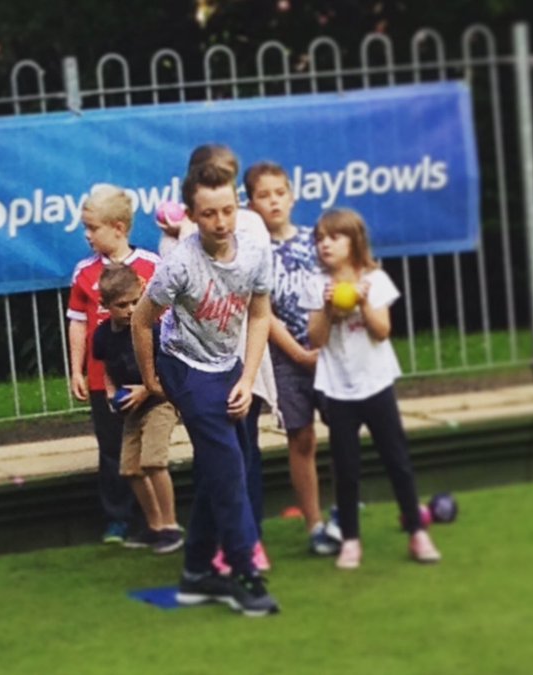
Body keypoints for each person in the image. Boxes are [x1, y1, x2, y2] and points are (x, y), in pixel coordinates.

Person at [133, 159, 279, 617]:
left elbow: (258, 315)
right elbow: (140, 320)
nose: (220, 222)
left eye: (227, 211)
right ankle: (244, 573)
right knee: (231, 471)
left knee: (228, 464)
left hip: (228, 365)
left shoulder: (256, 252)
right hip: (185, 368)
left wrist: (248, 376)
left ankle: (197, 571)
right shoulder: (178, 265)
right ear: (192, 217)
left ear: (237, 206)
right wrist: (151, 377)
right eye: (209, 214)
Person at [303, 208, 442, 570]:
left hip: (376, 382)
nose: (325, 245)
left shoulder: (375, 279)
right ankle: (350, 539)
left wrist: (362, 302)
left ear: (354, 242)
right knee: (345, 467)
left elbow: (382, 331)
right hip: (338, 388)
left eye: (334, 237)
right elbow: (315, 339)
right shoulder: (316, 283)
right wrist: (329, 309)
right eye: (320, 239)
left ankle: (417, 530)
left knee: (397, 459)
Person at [244, 160, 340, 556]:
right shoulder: (253, 251)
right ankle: (314, 523)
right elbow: (264, 314)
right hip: (287, 360)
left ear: (292, 195)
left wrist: (326, 344)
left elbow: (339, 287)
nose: (273, 202)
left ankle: (344, 512)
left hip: (332, 354)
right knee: (300, 437)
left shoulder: (316, 241)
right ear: (251, 203)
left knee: (346, 431)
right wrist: (299, 354)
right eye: (263, 196)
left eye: (279, 193)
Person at [67, 184, 160, 544]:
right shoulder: (83, 273)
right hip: (101, 379)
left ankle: (156, 517)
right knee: (112, 449)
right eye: (86, 228)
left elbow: (167, 321)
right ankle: (118, 518)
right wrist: (76, 369)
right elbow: (78, 322)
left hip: (146, 378)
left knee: (149, 447)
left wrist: (159, 376)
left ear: (118, 228)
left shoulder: (152, 266)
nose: (87, 235)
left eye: (92, 228)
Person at [92, 264, 183, 555]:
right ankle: (154, 527)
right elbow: (106, 367)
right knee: (130, 469)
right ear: (104, 305)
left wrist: (146, 389)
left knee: (153, 462)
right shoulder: (102, 335)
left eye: (135, 301)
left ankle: (170, 527)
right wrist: (109, 393)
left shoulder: (152, 330)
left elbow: (165, 369)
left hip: (160, 400)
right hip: (131, 407)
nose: (131, 310)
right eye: (122, 305)